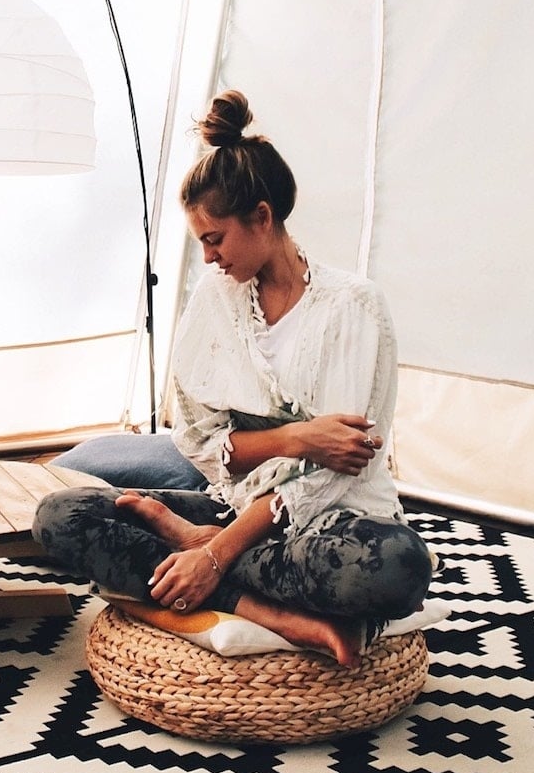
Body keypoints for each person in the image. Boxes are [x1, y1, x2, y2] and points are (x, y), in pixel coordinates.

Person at [33, 90, 432, 667]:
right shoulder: (214, 301)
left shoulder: (354, 307)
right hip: (233, 508)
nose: (208, 258)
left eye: (214, 239)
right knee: (62, 516)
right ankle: (269, 611)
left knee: (398, 567)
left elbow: (338, 469)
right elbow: (196, 439)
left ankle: (196, 557)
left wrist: (213, 552)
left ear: (262, 218)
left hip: (333, 523)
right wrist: (296, 438)